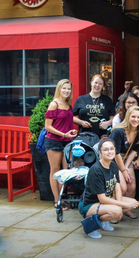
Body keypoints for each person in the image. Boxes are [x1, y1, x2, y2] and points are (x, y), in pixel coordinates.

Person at [79, 138, 139, 239]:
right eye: (106, 149)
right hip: (89, 204)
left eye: (112, 149)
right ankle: (90, 225)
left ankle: (105, 220)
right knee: (117, 211)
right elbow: (102, 198)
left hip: (105, 201)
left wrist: (121, 204)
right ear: (100, 153)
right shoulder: (96, 170)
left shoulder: (113, 165)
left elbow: (118, 187)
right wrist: (121, 206)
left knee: (134, 203)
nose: (110, 152)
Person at [45, 79, 77, 210]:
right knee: (55, 171)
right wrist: (63, 134)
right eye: (64, 88)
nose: (66, 91)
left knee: (65, 172)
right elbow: (48, 126)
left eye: (68, 89)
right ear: (59, 89)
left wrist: (72, 130)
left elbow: (68, 121)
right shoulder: (54, 104)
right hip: (54, 141)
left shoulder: (68, 104)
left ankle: (62, 198)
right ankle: (57, 200)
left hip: (67, 142)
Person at [110, 106, 139, 219]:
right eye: (133, 116)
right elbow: (115, 154)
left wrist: (126, 168)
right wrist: (123, 170)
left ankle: (127, 209)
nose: (136, 119)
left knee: (132, 186)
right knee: (122, 187)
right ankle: (114, 211)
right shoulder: (118, 131)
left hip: (127, 158)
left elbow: (134, 151)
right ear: (128, 117)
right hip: (114, 159)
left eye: (138, 117)